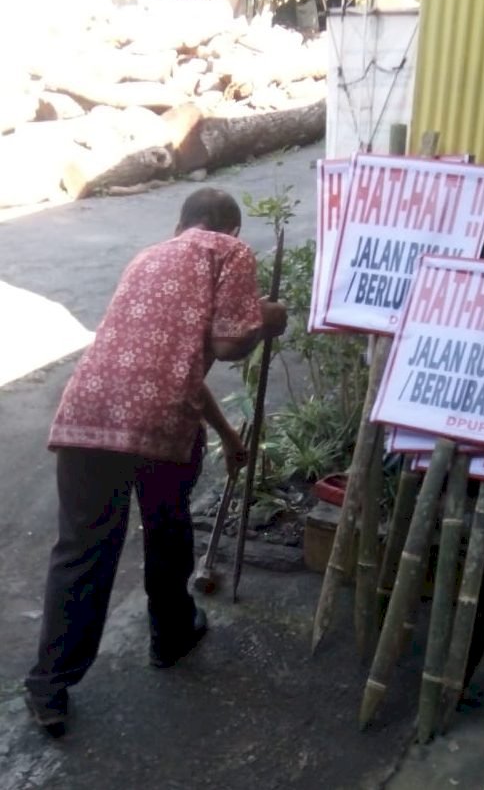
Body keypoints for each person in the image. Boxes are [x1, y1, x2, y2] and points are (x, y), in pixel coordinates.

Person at [23, 187, 287, 735]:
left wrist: (227, 432)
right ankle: (171, 636)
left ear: (179, 224)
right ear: (230, 230)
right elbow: (232, 342)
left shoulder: (147, 256)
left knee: (81, 549)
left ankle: (48, 688)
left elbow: (176, 363)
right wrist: (268, 319)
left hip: (86, 415)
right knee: (167, 530)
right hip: (158, 426)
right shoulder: (228, 250)